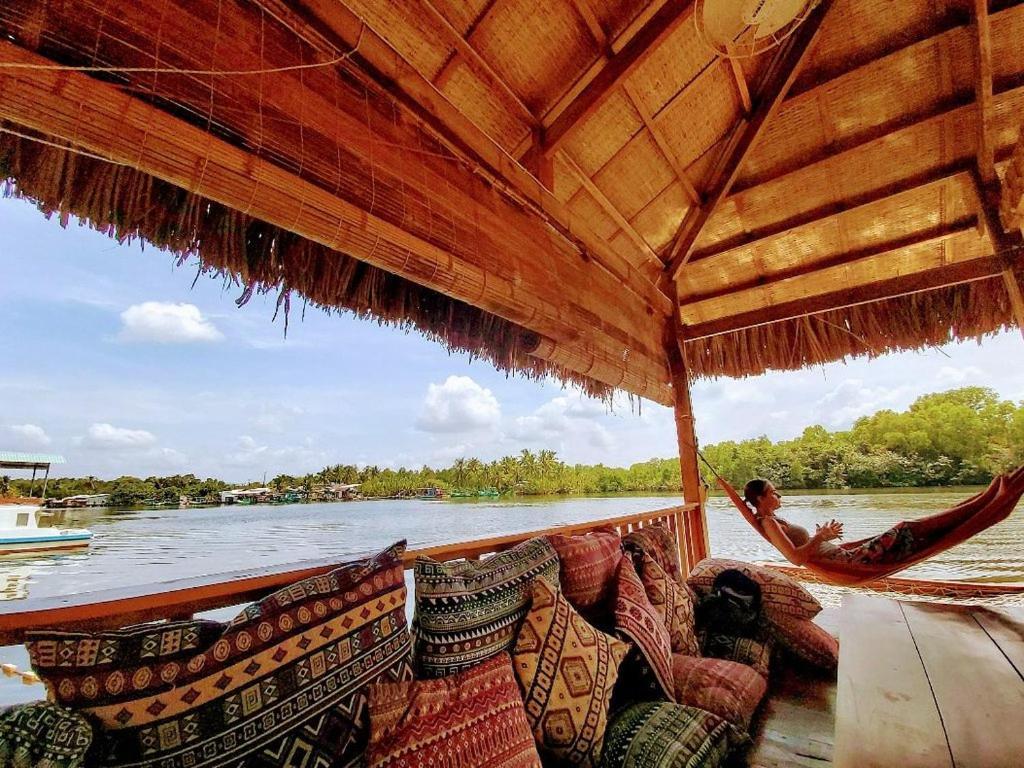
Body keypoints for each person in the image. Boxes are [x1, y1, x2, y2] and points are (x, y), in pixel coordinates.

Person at [742, 465, 1024, 568]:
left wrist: (824, 537)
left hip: (849, 555)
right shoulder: (768, 522)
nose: (779, 496)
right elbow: (796, 559)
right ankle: (987, 502)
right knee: (907, 528)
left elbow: (802, 550)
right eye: (774, 492)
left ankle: (984, 502)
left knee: (914, 531)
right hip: (853, 561)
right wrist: (820, 537)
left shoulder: (774, 521)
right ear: (760, 499)